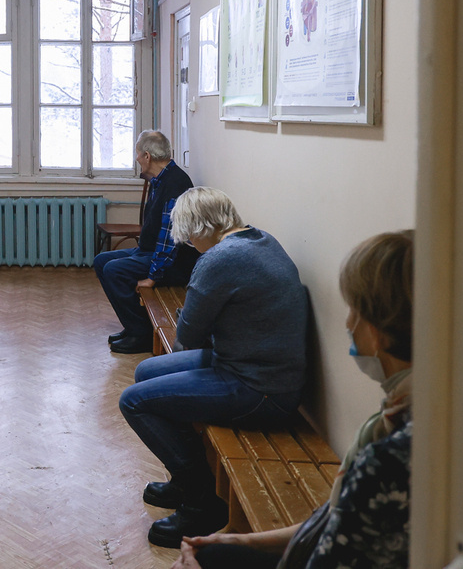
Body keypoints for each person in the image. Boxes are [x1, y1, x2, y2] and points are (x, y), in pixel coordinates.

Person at [171, 230, 415, 569]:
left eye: (354, 309)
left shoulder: (386, 459)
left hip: (260, 391)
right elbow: (331, 521)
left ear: (377, 332)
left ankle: (197, 503)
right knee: (212, 554)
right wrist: (237, 539)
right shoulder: (407, 410)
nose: (348, 322)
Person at [120, 187, 309, 547]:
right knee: (146, 372)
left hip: (260, 389)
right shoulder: (260, 240)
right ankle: (183, 480)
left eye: (189, 236)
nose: (190, 245)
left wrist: (195, 316)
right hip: (256, 366)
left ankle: (201, 503)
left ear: (199, 227)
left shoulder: (219, 259)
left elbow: (187, 338)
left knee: (134, 401)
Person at [94, 130, 201, 354]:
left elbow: (169, 241)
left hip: (174, 263)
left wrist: (152, 277)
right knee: (102, 261)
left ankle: (141, 334)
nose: (136, 159)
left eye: (138, 154)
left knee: (114, 270)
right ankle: (134, 327)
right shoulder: (159, 179)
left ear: (147, 156)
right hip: (149, 251)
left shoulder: (175, 185)